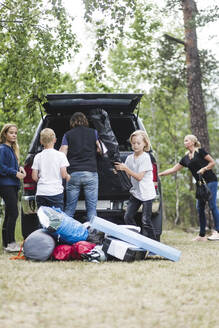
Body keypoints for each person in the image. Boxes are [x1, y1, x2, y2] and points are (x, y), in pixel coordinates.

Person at [159, 134, 219, 241]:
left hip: (211, 181)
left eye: (186, 140)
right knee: (199, 208)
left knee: (212, 205)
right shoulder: (186, 158)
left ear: (192, 142)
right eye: (184, 141)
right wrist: (159, 174)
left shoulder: (200, 152)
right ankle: (201, 235)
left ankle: (217, 231)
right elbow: (173, 169)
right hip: (200, 184)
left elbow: (212, 162)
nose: (184, 142)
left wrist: (204, 169)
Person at [114, 130, 157, 240]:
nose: (135, 145)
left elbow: (139, 177)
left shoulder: (145, 158)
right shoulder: (129, 158)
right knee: (128, 217)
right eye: (133, 143)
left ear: (145, 144)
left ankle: (154, 244)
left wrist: (126, 169)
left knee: (146, 220)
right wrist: (120, 172)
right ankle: (138, 239)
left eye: (138, 143)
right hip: (136, 193)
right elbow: (128, 176)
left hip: (146, 193)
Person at [59, 112, 101, 221]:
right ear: (85, 121)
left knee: (69, 209)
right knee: (91, 209)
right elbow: (100, 149)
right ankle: (93, 235)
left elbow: (62, 154)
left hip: (73, 174)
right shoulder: (93, 132)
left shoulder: (68, 135)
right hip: (90, 173)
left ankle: (64, 234)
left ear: (72, 122)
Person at [0, 123, 26, 252]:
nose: (14, 135)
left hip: (13, 185)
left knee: (10, 214)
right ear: (5, 134)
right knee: (14, 213)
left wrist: (19, 168)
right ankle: (10, 243)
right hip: (6, 185)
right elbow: (1, 167)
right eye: (11, 132)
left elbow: (10, 165)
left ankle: (6, 244)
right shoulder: (2, 149)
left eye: (15, 133)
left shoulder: (12, 149)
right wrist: (15, 173)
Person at [32, 128, 70, 211]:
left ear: (41, 141)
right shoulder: (60, 155)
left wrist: (43, 182)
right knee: (56, 221)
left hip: (41, 192)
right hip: (55, 192)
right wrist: (68, 176)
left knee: (44, 220)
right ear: (55, 140)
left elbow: (34, 177)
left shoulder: (38, 156)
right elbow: (63, 174)